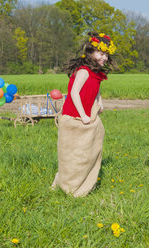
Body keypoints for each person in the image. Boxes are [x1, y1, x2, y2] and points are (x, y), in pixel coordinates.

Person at [51, 32, 116, 197]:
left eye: (107, 55)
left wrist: (99, 101)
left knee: (85, 152)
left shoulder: (97, 73)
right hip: (73, 116)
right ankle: (65, 183)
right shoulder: (84, 70)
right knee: (71, 153)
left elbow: (96, 88)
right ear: (91, 53)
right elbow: (74, 92)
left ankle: (82, 181)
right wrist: (83, 115)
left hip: (86, 117)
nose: (105, 58)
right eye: (102, 53)